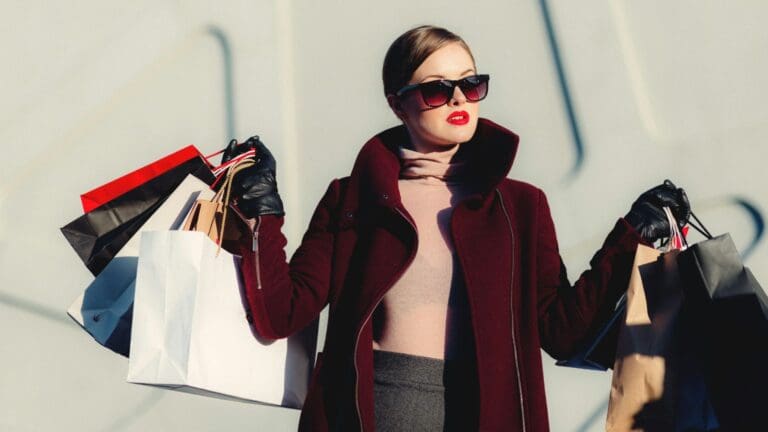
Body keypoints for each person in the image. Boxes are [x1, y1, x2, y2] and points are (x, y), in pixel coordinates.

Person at [223, 25, 691, 432]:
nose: (457, 100)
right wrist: (262, 211)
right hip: (371, 414)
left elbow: (562, 331)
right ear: (397, 103)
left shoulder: (520, 206)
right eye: (435, 89)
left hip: (486, 415)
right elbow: (280, 314)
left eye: (471, 84)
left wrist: (631, 235)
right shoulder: (353, 199)